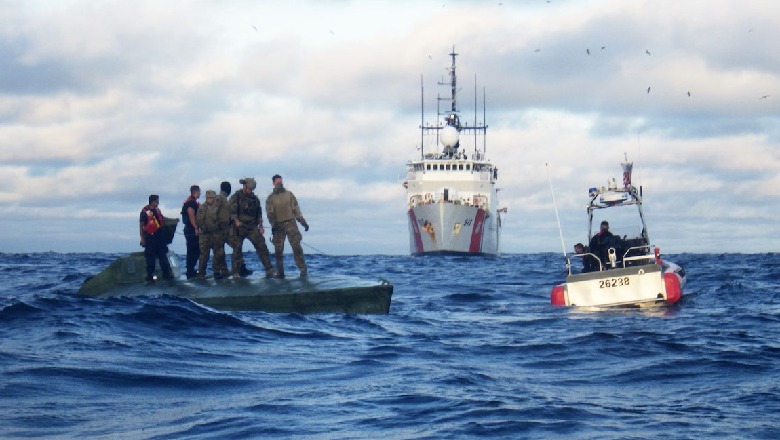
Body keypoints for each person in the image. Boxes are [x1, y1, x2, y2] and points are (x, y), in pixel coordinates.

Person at [230, 177, 275, 278]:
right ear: (244, 187)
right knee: (237, 249)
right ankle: (235, 272)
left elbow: (258, 214)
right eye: (248, 189)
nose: (250, 191)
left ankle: (269, 269)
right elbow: (232, 212)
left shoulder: (255, 199)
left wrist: (261, 226)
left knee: (262, 246)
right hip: (239, 226)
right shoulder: (236, 197)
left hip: (252, 227)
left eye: (251, 190)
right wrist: (236, 221)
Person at [266, 174, 309, 278]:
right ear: (273, 183)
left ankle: (303, 270)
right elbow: (270, 214)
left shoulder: (289, 194)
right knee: (278, 250)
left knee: (297, 247)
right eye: (277, 182)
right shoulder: (270, 198)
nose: (279, 183)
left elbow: (296, 210)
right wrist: (274, 225)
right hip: (278, 226)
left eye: (280, 181)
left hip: (291, 224)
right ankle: (280, 272)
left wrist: (303, 223)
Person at [139, 194, 173, 282]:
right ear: (153, 201)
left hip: (160, 236)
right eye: (157, 201)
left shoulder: (157, 210)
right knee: (150, 256)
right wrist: (142, 238)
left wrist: (173, 220)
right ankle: (150, 275)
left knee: (163, 255)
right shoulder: (145, 212)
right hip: (150, 237)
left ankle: (166, 274)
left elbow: (162, 218)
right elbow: (141, 225)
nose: (158, 203)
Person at [195, 190, 227, 279]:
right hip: (205, 235)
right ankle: (201, 273)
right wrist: (204, 228)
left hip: (216, 234)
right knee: (204, 255)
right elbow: (199, 220)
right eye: (209, 198)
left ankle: (216, 271)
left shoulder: (217, 208)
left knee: (218, 253)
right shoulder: (202, 208)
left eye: (212, 198)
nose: (211, 200)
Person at [181, 185, 201, 279]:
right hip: (191, 230)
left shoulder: (190, 202)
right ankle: (190, 271)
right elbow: (190, 213)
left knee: (194, 250)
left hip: (189, 229)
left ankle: (190, 270)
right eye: (199, 191)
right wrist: (196, 227)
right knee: (193, 250)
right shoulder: (191, 203)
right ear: (196, 191)